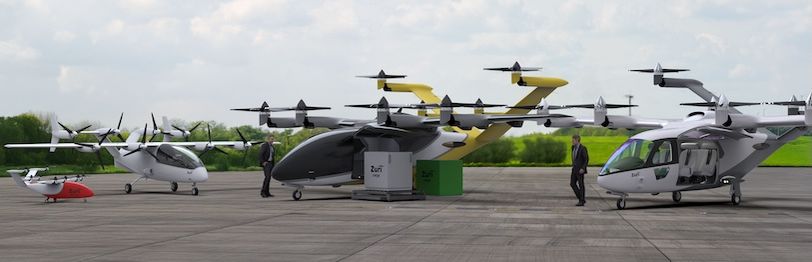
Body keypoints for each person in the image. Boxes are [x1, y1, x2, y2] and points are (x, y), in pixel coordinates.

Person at [570, 134, 589, 206]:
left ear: (577, 140)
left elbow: (586, 159)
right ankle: (582, 199)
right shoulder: (573, 147)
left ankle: (581, 200)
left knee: (581, 185)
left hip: (580, 170)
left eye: (573, 140)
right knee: (572, 184)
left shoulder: (583, 148)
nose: (572, 141)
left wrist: (583, 168)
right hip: (574, 169)